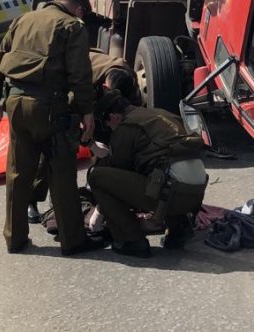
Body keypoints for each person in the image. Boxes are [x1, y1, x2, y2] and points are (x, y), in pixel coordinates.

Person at [0, 0, 106, 256]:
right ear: (78, 10)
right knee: (61, 174)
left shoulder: (24, 19)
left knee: (18, 173)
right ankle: (72, 240)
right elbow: (80, 75)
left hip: (15, 104)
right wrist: (87, 112)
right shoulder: (72, 27)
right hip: (50, 109)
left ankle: (14, 239)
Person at [87, 88, 208, 258]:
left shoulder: (126, 127)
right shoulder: (160, 114)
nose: (109, 128)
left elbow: (118, 171)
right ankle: (179, 228)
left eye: (108, 125)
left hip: (173, 194)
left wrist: (99, 212)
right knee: (161, 173)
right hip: (195, 193)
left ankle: (131, 239)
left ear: (113, 117)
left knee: (97, 176)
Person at [27, 49, 142, 224]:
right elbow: (66, 119)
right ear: (105, 88)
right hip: (60, 99)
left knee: (111, 147)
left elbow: (133, 115)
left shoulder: (128, 80)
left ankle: (98, 188)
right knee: (56, 148)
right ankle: (33, 199)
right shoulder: (82, 79)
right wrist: (90, 143)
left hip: (97, 99)